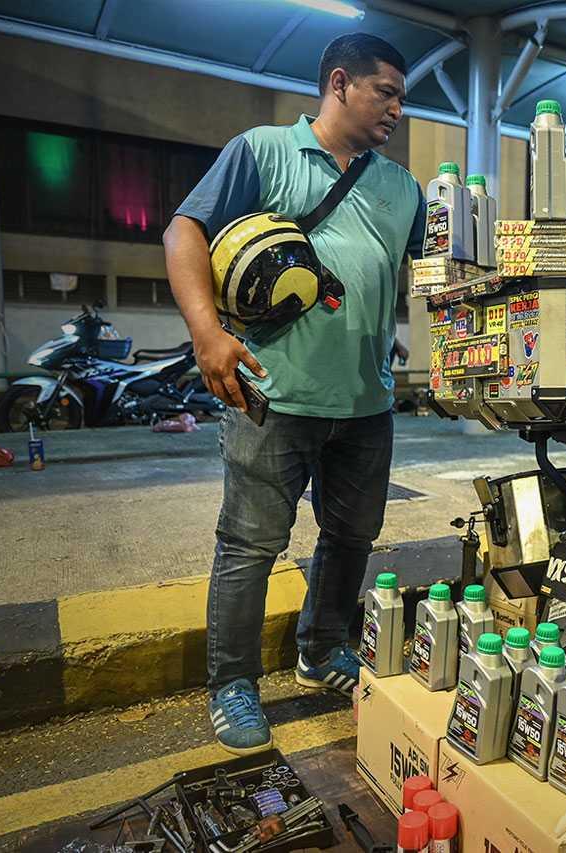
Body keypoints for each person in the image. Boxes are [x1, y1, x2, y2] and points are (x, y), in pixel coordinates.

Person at [163, 33, 423, 754]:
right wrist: (206, 333)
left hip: (366, 405)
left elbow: (433, 278)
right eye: (386, 93)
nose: (397, 109)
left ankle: (323, 649)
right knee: (250, 546)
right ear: (340, 83)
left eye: (403, 97)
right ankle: (233, 684)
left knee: (351, 536)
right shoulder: (263, 151)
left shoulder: (402, 188)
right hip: (269, 397)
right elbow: (184, 230)